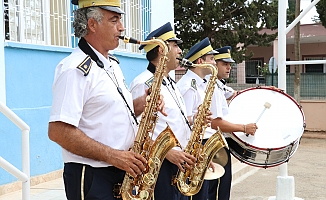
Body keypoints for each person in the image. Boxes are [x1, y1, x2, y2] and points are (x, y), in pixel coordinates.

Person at [47, 1, 155, 199]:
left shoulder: (111, 64)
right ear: (92, 25)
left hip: (120, 171)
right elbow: (58, 131)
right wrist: (114, 156)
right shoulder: (74, 69)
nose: (122, 27)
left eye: (120, 20)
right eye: (114, 20)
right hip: (92, 175)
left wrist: (142, 104)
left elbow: (108, 112)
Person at [129, 22, 198, 200]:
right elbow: (136, 129)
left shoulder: (171, 84)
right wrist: (167, 152)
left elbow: (176, 121)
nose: (180, 51)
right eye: (175, 46)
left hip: (179, 161)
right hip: (160, 163)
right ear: (161, 50)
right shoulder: (143, 82)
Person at [208, 46, 257, 200]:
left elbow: (235, 94)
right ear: (214, 64)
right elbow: (215, 123)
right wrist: (243, 128)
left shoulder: (219, 85)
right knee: (216, 191)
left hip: (219, 144)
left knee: (222, 188)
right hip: (212, 144)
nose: (229, 67)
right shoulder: (211, 87)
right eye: (224, 63)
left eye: (230, 64)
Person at [176, 37, 219, 200]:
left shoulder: (199, 85)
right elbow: (182, 123)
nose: (215, 63)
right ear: (201, 61)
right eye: (212, 59)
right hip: (191, 146)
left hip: (198, 145)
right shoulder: (188, 87)